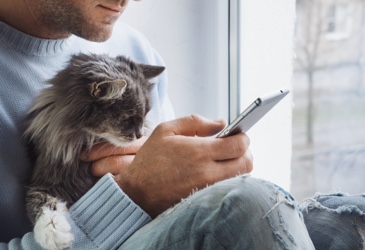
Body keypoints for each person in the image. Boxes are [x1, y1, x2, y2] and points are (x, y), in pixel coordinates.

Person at [0, 0, 360, 249]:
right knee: (249, 204)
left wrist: (193, 175)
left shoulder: (131, 49)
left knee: (345, 222)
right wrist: (134, 195)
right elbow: (146, 193)